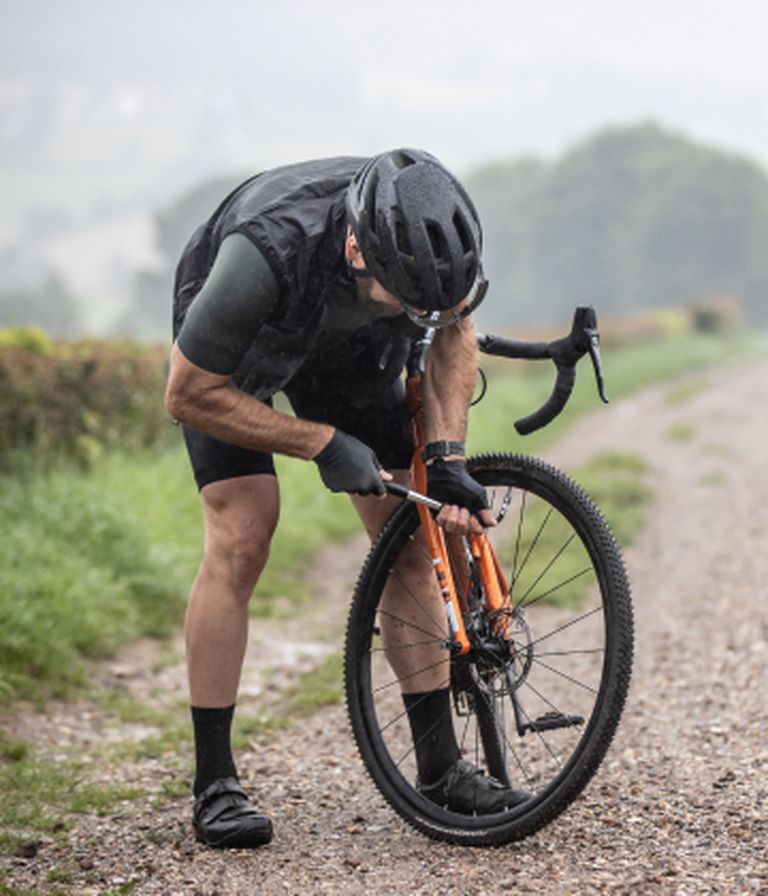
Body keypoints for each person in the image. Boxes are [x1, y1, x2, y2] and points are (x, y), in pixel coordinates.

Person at [164, 148, 529, 850]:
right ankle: (215, 784)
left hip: (349, 345)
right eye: (407, 297)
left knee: (408, 537)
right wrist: (319, 442)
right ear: (358, 249)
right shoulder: (262, 253)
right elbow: (185, 394)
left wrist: (446, 455)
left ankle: (441, 770)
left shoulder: (430, 243)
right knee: (243, 535)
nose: (421, 308)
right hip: (241, 349)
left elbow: (454, 330)